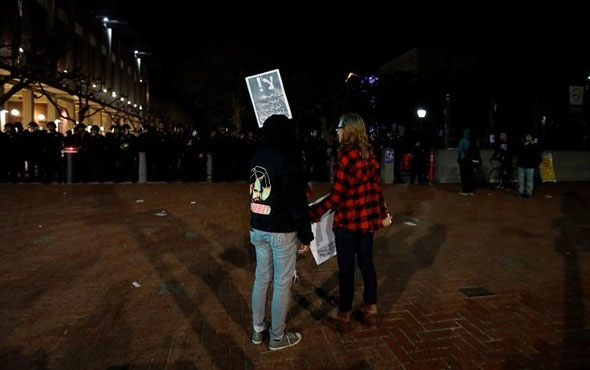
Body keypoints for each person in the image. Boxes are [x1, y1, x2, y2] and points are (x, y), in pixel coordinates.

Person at [308, 113, 392, 331]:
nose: (337, 131)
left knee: (346, 270)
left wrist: (313, 213)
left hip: (346, 223)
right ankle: (370, 307)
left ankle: (344, 314)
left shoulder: (345, 157)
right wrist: (382, 213)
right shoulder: (371, 155)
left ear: (349, 130)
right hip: (366, 224)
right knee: (367, 265)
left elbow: (336, 196)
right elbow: (376, 190)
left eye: (339, 128)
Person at [249, 114, 313, 351]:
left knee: (261, 278)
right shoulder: (288, 160)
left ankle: (257, 329)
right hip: (281, 229)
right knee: (282, 283)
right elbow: (297, 203)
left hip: (258, 226)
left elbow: (256, 191)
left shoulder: (257, 157)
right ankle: (277, 336)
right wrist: (305, 235)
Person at [456, 128, 476, 195]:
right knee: (470, 175)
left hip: (464, 160)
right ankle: (471, 190)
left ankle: (465, 191)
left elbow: (459, 150)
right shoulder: (472, 140)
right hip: (470, 160)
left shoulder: (463, 141)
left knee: (464, 176)